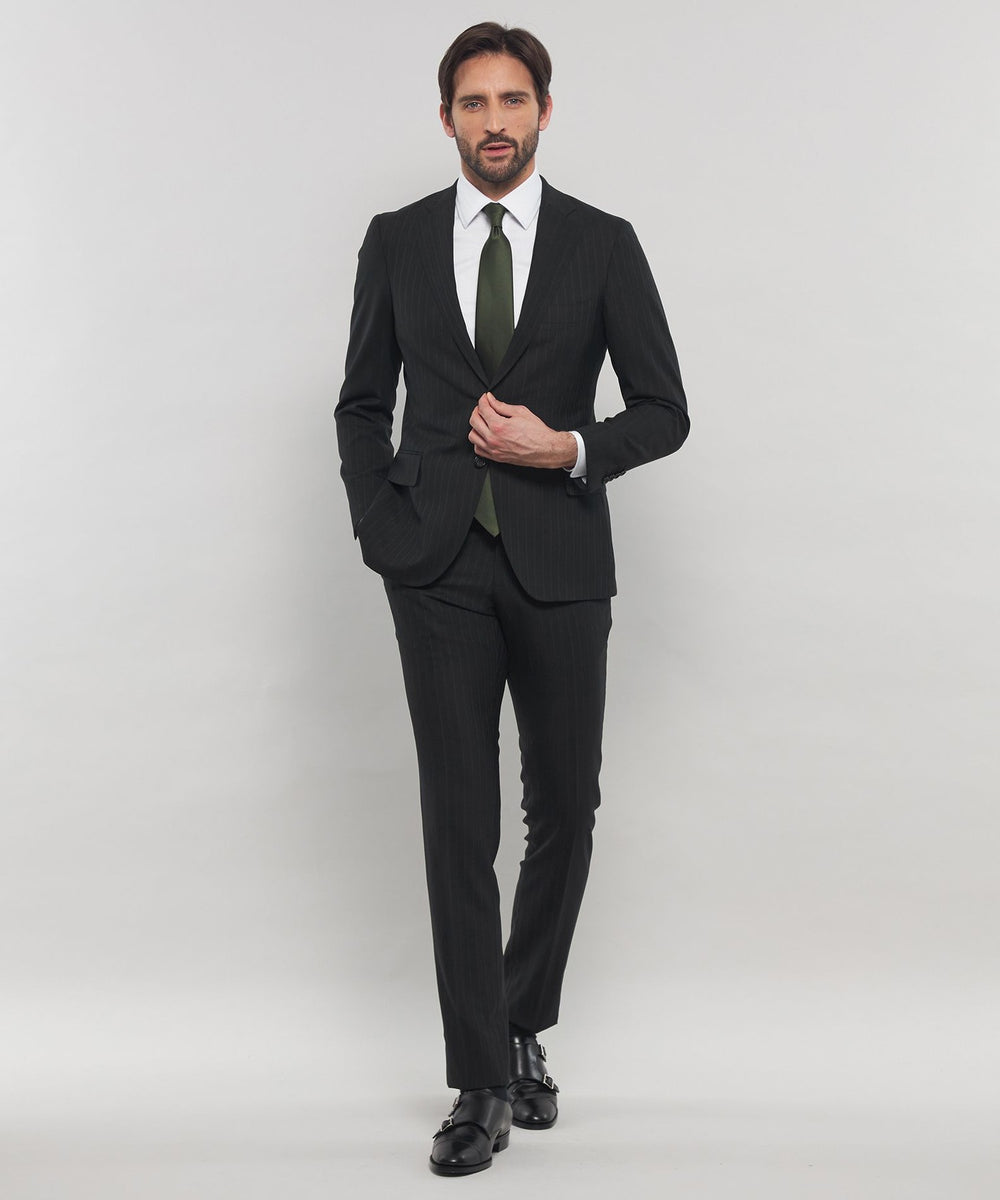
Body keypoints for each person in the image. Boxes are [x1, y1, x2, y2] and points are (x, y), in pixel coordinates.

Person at [335, 21, 689, 1176]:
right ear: (446, 117)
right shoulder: (396, 240)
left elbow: (664, 409)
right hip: (434, 565)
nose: (495, 120)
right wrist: (382, 524)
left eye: (514, 99)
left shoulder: (602, 244)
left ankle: (522, 1019)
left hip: (560, 562)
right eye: (474, 102)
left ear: (544, 110)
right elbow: (360, 402)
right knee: (458, 821)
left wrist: (566, 447)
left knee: (565, 809)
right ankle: (480, 1078)